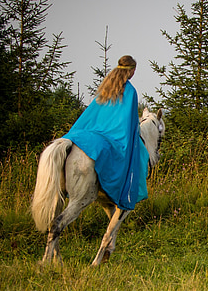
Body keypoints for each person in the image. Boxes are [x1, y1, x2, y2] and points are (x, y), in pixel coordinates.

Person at [63, 55, 148, 210]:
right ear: (131, 71)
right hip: (116, 135)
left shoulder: (105, 88)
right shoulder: (130, 91)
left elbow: (93, 114)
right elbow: (129, 121)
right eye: (134, 70)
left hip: (97, 130)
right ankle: (125, 193)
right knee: (140, 155)